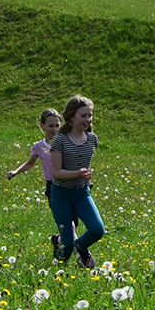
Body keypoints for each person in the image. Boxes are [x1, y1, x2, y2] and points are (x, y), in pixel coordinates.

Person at [6, 108, 79, 257]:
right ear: (42, 126)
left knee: (74, 226)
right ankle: (80, 255)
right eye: (51, 125)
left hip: (71, 184)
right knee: (67, 224)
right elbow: (30, 163)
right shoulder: (39, 146)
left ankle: (59, 242)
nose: (54, 129)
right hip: (54, 187)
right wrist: (16, 171)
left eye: (57, 125)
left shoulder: (66, 142)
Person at [48, 96, 105, 268]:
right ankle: (56, 270)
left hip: (82, 193)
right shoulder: (60, 140)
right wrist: (78, 173)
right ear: (72, 117)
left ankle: (81, 246)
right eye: (83, 116)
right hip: (61, 195)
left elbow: (84, 166)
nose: (88, 120)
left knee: (97, 229)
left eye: (90, 115)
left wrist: (85, 176)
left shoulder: (92, 139)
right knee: (66, 246)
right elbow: (56, 173)